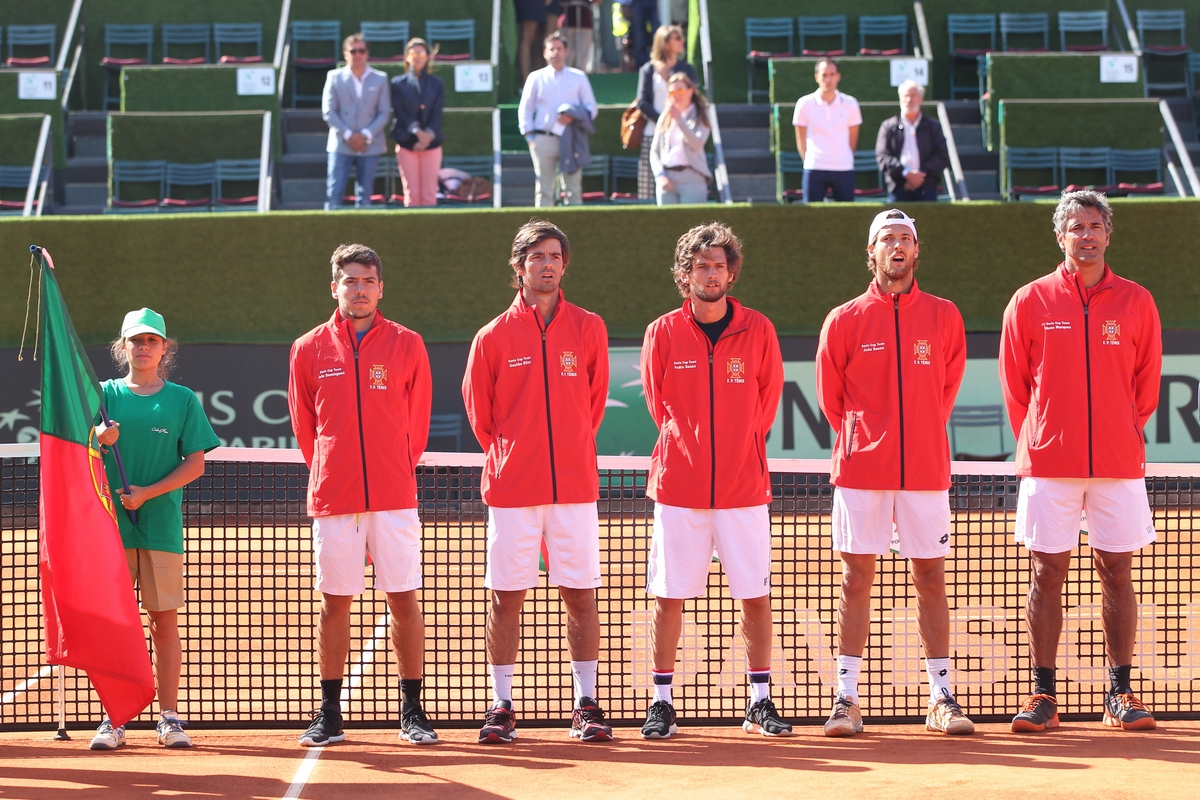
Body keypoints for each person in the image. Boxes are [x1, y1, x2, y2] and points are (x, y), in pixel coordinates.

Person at [999, 190, 1163, 734]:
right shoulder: (1029, 301)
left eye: (1095, 225)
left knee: (1117, 571)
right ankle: (1043, 694)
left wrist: (1118, 431)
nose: (1086, 235)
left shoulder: (1137, 301)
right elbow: (1016, 389)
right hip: (1050, 463)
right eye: (1076, 226)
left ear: (1108, 234)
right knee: (1047, 573)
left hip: (1118, 462)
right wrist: (1047, 436)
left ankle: (1120, 691)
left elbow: (1146, 387)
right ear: (1060, 236)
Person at [815, 209, 972, 738]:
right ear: (872, 253)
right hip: (861, 473)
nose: (897, 246)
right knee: (854, 578)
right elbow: (833, 402)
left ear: (917, 251)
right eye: (887, 239)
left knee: (931, 577)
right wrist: (867, 441)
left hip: (925, 470)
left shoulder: (945, 316)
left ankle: (942, 698)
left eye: (905, 238)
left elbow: (944, 392)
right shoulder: (843, 319)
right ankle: (846, 700)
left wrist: (919, 433)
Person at [462, 220, 612, 744]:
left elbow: (591, 407)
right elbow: (482, 417)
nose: (547, 263)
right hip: (512, 490)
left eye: (555, 255)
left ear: (564, 265)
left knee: (581, 595)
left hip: (573, 487)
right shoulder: (492, 337)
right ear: (519, 267)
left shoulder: (589, 327)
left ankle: (586, 704)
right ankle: (501, 706)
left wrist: (566, 450)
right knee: (505, 597)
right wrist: (516, 455)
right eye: (537, 256)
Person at [639, 223, 789, 740]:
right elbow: (659, 405)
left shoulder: (760, 330)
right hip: (679, 488)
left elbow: (766, 405)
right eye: (700, 266)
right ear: (686, 274)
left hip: (743, 489)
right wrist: (690, 451)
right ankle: (661, 702)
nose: (710, 274)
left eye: (718, 266)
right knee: (669, 595)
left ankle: (760, 702)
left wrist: (737, 449)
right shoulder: (661, 331)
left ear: (731, 273)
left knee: (754, 594)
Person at [288, 244, 437, 747]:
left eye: (368, 280)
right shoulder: (307, 348)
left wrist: (392, 467)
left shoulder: (408, 344)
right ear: (335, 287)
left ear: (380, 287)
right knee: (335, 603)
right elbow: (305, 427)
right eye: (349, 281)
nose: (359, 288)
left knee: (403, 599)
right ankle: (329, 713)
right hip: (335, 497)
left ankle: (412, 711)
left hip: (395, 495)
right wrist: (336, 470)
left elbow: (417, 425)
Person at [89, 308, 220, 751]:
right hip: (110, 529)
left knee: (163, 621)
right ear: (122, 346)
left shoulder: (182, 400)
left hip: (161, 526)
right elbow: (75, 452)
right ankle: (115, 718)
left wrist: (147, 493)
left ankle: (168, 717)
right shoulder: (102, 396)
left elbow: (195, 463)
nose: (143, 348)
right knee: (115, 625)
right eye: (135, 341)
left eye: (151, 341)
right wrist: (97, 440)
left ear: (164, 347)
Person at [518, 34, 598, 207]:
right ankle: (542, 233)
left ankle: (573, 229)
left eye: (559, 49)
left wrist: (573, 116)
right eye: (551, 49)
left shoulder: (578, 77)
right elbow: (525, 108)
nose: (556, 53)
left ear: (566, 51)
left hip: (571, 139)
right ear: (545, 53)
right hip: (543, 139)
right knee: (544, 190)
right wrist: (529, 136)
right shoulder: (536, 77)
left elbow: (592, 107)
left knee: (573, 189)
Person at [321, 34, 390, 210]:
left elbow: (384, 112)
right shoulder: (334, 77)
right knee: (334, 195)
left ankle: (362, 237)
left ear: (367, 54)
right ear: (345, 54)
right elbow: (329, 111)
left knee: (365, 197)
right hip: (341, 145)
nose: (357, 54)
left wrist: (365, 135)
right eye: (353, 51)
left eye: (362, 50)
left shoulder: (380, 78)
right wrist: (349, 135)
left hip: (370, 145)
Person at [635, 25, 696, 199]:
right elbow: (641, 101)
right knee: (648, 185)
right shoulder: (648, 70)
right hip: (652, 132)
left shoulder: (687, 69)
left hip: (682, 133)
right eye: (677, 38)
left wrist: (679, 121)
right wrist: (663, 120)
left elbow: (694, 99)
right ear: (665, 42)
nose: (682, 41)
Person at [793, 59, 861, 203]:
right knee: (811, 216)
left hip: (843, 167)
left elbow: (852, 140)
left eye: (832, 74)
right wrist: (810, 160)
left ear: (838, 76)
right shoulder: (804, 104)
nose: (828, 79)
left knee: (846, 216)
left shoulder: (851, 104)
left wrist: (842, 157)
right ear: (816, 77)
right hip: (814, 167)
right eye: (824, 75)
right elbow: (800, 139)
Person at [391, 38, 444, 208]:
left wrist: (426, 136)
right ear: (407, 57)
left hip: (432, 144)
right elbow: (400, 112)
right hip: (407, 144)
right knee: (411, 194)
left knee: (429, 194)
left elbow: (437, 112)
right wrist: (417, 133)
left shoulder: (437, 83)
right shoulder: (398, 83)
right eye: (414, 53)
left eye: (422, 53)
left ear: (428, 56)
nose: (418, 57)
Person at [875, 80, 949, 203]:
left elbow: (942, 155)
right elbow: (882, 156)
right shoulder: (888, 126)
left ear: (921, 98)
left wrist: (920, 175)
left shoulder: (934, 127)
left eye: (913, 95)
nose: (909, 100)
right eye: (905, 96)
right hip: (898, 188)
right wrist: (906, 174)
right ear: (900, 98)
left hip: (927, 188)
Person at [649, 72, 711, 205]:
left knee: (693, 224)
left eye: (680, 90)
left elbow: (696, 144)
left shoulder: (701, 115)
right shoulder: (665, 116)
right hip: (667, 178)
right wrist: (660, 175)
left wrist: (679, 120)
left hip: (692, 178)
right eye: (672, 92)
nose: (676, 95)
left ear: (691, 91)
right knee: (666, 224)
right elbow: (654, 152)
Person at [560, 0, 603, 71]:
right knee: (565, 57)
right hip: (565, 23)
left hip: (584, 22)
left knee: (582, 61)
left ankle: (580, 80)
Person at [513, 0, 549, 86]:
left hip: (537, 4)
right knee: (527, 38)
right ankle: (526, 82)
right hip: (529, 3)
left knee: (535, 38)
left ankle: (536, 80)